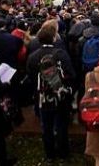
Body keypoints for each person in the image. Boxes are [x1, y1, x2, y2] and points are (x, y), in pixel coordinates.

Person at [26, 25, 75, 161]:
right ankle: (63, 153)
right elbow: (70, 74)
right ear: (54, 38)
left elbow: (30, 75)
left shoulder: (33, 56)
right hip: (60, 95)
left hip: (42, 97)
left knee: (46, 126)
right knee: (61, 125)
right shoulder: (61, 54)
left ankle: (50, 154)